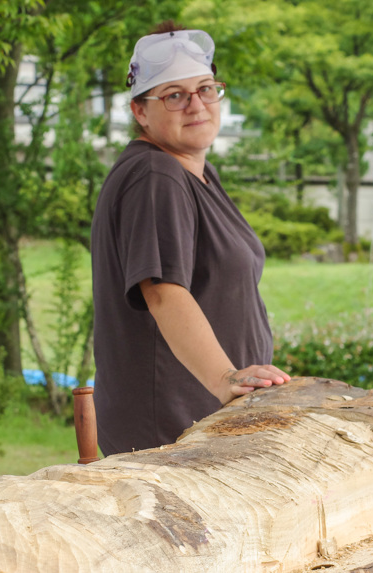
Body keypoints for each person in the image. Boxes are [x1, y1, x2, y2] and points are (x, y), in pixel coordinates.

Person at [91, 23, 290, 456]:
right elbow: (162, 291)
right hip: (173, 432)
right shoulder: (154, 175)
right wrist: (225, 379)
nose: (196, 105)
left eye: (205, 89)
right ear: (141, 111)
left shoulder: (189, 171)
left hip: (201, 422)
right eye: (174, 95)